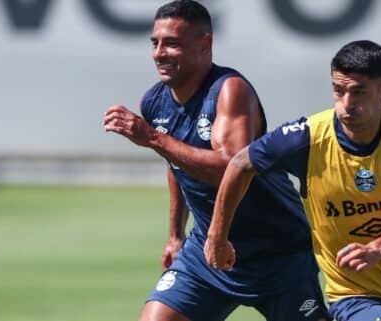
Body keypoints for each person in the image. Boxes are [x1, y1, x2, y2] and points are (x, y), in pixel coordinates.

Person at [205, 40, 381, 321]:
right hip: (357, 295)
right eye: (339, 90)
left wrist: (375, 249)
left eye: (358, 92)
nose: (347, 104)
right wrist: (217, 236)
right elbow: (239, 164)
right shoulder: (306, 138)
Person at [103, 1, 330, 321]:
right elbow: (176, 163)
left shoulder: (229, 91)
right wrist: (175, 234)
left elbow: (229, 168)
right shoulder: (154, 101)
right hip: (207, 251)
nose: (159, 53)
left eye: (172, 43)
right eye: (155, 43)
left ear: (205, 43)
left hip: (277, 252)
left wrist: (153, 137)